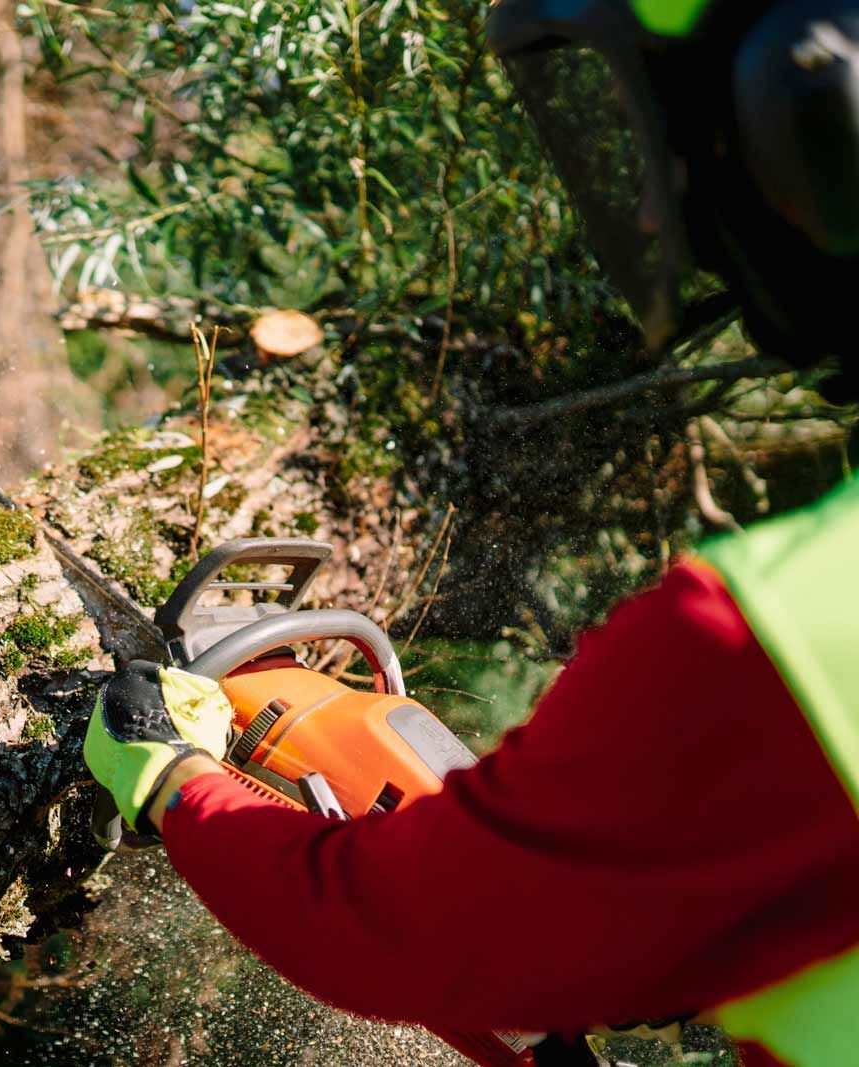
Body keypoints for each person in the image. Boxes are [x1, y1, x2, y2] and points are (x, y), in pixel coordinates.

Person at [83, 2, 859, 1065]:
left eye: (688, 155)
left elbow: (402, 927)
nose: (645, 219)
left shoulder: (774, 629)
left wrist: (176, 783)